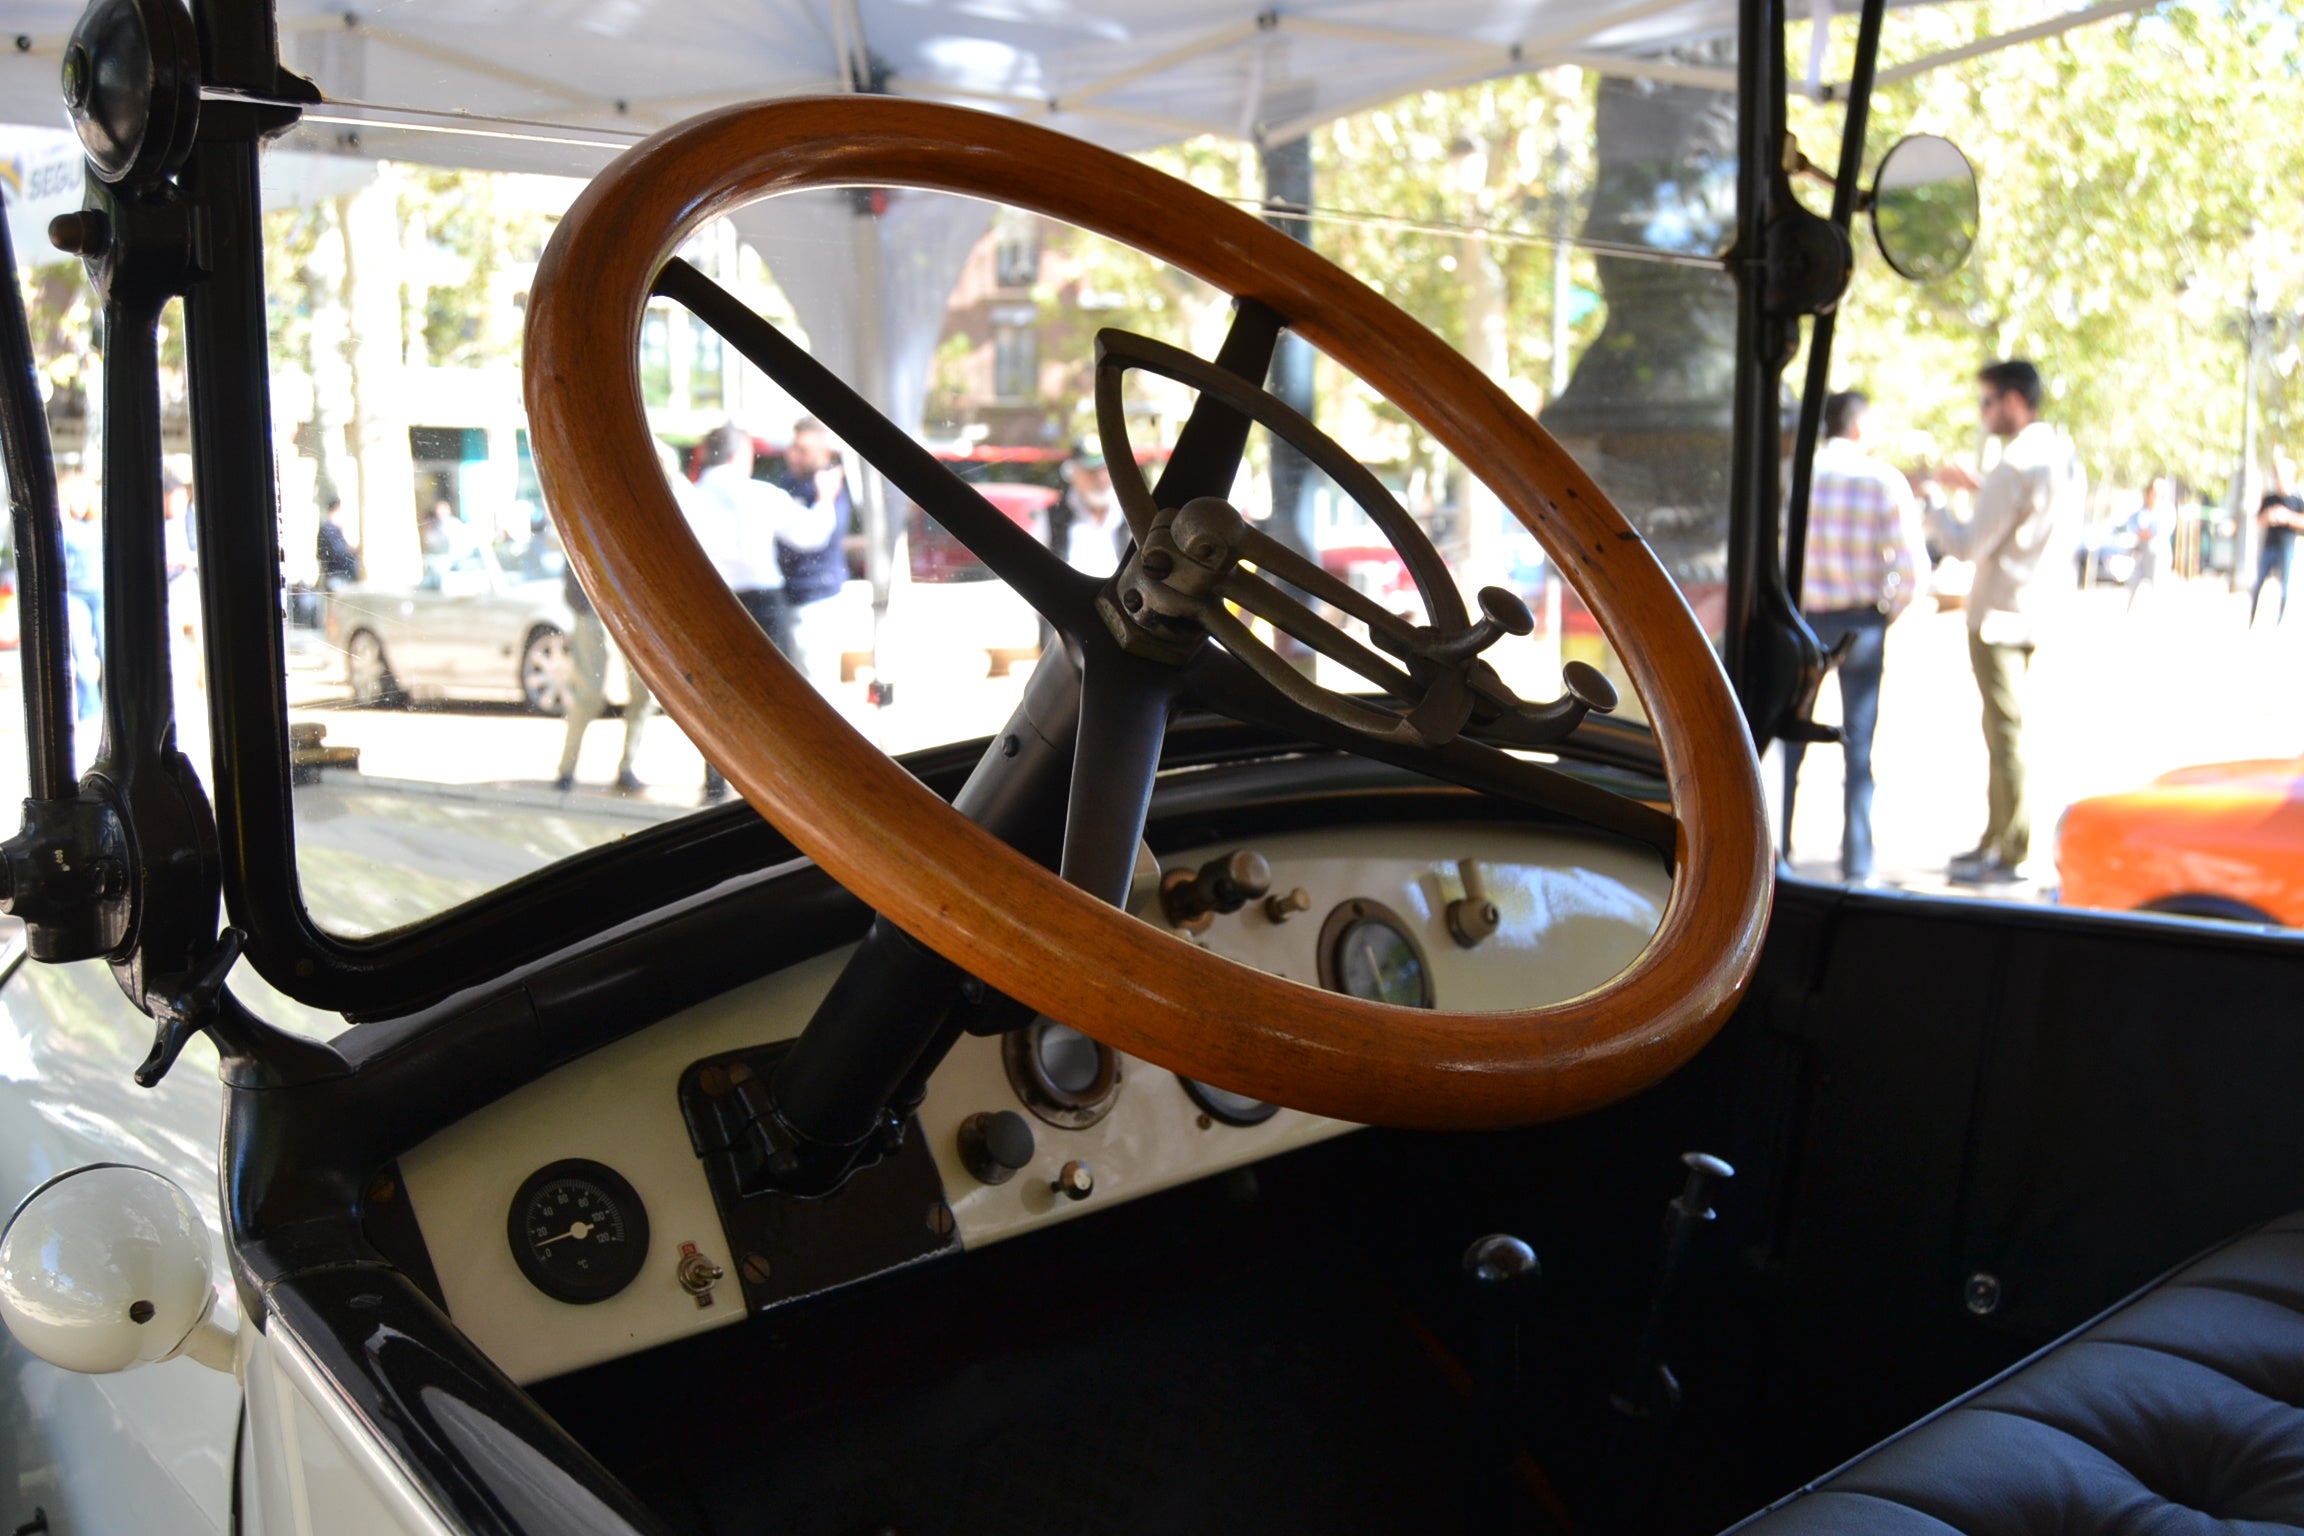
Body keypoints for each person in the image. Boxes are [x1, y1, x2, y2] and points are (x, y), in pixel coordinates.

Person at [1926, 359, 2086, 886]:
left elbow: (1969, 545)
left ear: (2013, 402)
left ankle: (2009, 849)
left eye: (1987, 402)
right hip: (2037, 611)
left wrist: (1932, 504)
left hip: (1998, 617)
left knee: (2005, 735)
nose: (1983, 414)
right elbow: (2025, 521)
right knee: (2011, 732)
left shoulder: (2015, 463)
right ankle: (2001, 841)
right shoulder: (2061, 454)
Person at [1783, 389, 1929, 883]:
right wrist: (1885, 611)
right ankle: (1857, 865)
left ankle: (1777, 850)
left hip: (1802, 621)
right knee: (1859, 745)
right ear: (1860, 425)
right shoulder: (1882, 480)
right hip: (1861, 622)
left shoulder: (1797, 475)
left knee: (1790, 738)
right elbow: (1911, 569)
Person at [687, 423, 836, 801]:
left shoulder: (690, 498)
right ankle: (780, 783)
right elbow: (810, 534)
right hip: (764, 604)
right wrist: (827, 499)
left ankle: (715, 784)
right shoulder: (759, 494)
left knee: (717, 695)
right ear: (741, 456)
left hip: (711, 601)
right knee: (775, 695)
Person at [554, 452, 672, 795]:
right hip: (595, 610)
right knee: (590, 693)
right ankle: (566, 769)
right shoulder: (591, 497)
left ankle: (626, 767)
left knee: (644, 693)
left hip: (636, 614)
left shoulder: (655, 510)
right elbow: (574, 555)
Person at [776, 417, 853, 683]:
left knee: (816, 679)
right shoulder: (788, 483)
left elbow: (821, 536)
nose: (793, 457)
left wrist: (822, 502)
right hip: (788, 593)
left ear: (823, 452)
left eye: (803, 451)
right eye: (793, 448)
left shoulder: (830, 486)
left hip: (817, 595)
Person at [1045, 438, 1127, 577]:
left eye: (1106, 469)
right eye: (1091, 471)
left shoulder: (1130, 517)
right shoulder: (1050, 517)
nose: (1101, 478)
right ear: (1073, 474)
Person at [2250, 459, 2302, 625]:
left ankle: (2280, 621)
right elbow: (2257, 520)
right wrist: (2268, 516)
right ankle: (2252, 619)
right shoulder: (2270, 498)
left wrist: (2287, 517)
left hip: (2286, 547)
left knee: (2284, 586)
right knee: (2258, 583)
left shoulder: (2297, 500)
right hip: (2269, 546)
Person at [2126, 478, 2173, 612]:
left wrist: (2149, 532)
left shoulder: (2166, 511)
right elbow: (2133, 526)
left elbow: (2160, 529)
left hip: (2157, 554)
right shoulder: (2141, 512)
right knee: (2134, 584)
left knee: (2157, 586)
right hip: (2141, 553)